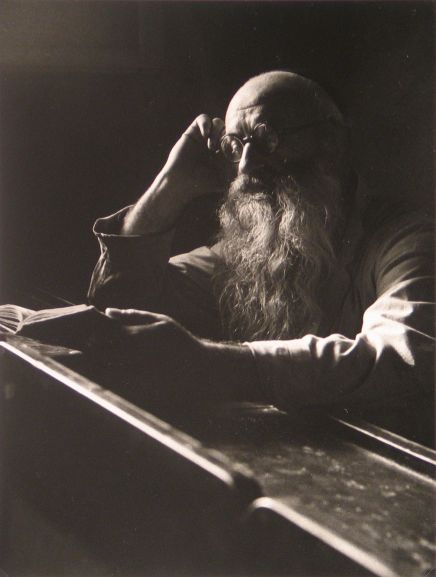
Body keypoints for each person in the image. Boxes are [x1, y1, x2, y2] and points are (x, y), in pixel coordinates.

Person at [4, 71, 435, 414]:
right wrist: (169, 187)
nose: (246, 166)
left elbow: (404, 358)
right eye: (234, 146)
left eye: (267, 138)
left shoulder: (408, 238)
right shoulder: (249, 254)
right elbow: (123, 303)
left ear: (332, 142)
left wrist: (213, 363)